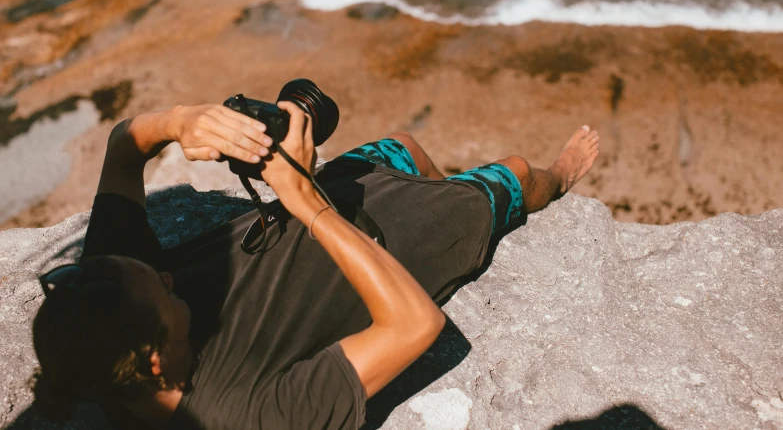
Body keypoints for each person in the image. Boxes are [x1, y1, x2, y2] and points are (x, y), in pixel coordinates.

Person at [31, 100, 599, 429]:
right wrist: (304, 199)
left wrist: (180, 121)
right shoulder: (245, 416)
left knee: (401, 142)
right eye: (163, 288)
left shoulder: (107, 294)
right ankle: (562, 175)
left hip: (316, 206)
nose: (164, 272)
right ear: (155, 362)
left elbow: (123, 147)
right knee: (519, 171)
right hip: (397, 247)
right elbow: (414, 326)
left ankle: (435, 186)